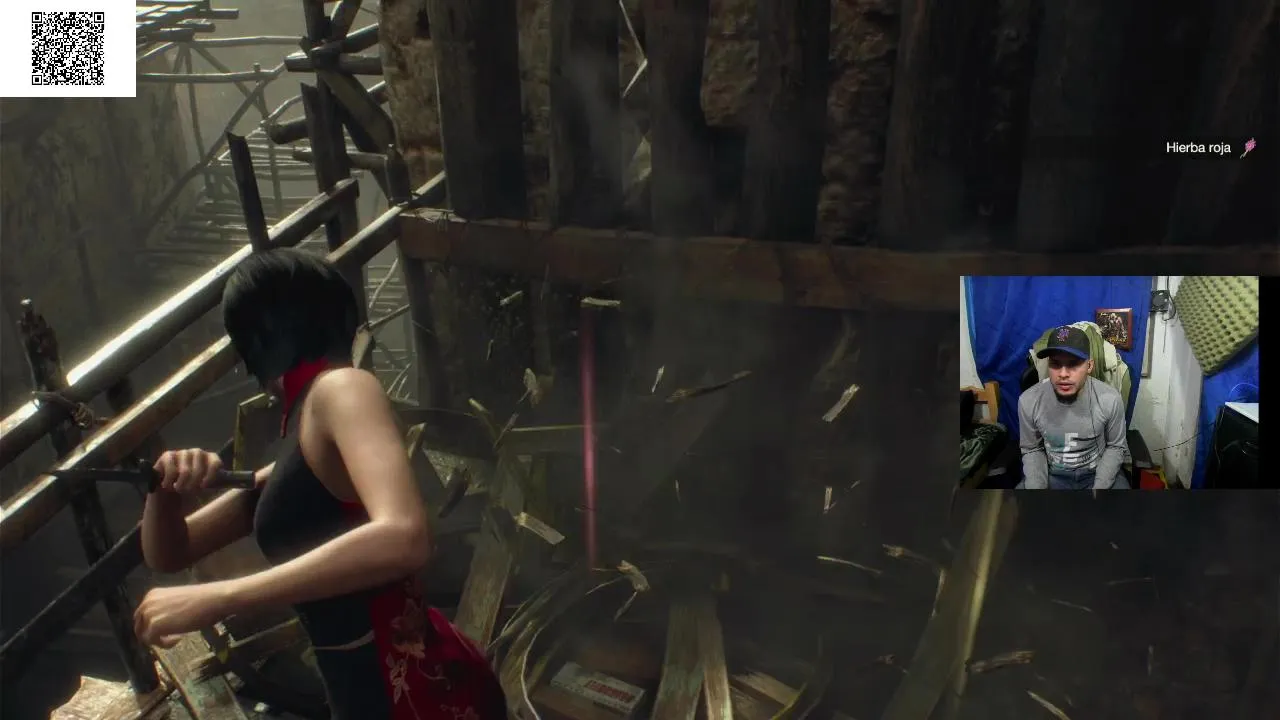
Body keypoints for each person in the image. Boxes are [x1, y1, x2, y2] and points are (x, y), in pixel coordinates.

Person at [135, 248, 507, 719]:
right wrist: (165, 488)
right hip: (363, 695)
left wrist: (221, 597)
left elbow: (405, 536)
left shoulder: (342, 387)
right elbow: (170, 553)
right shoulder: (301, 435)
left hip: (416, 696)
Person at [1017, 325, 1130, 490]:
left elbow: (1116, 446)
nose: (1063, 374)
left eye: (1074, 364)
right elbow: (1032, 449)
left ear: (1089, 366)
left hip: (1096, 473)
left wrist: (1099, 489)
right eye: (1055, 364)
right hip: (1052, 476)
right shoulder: (1029, 400)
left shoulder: (1110, 399)